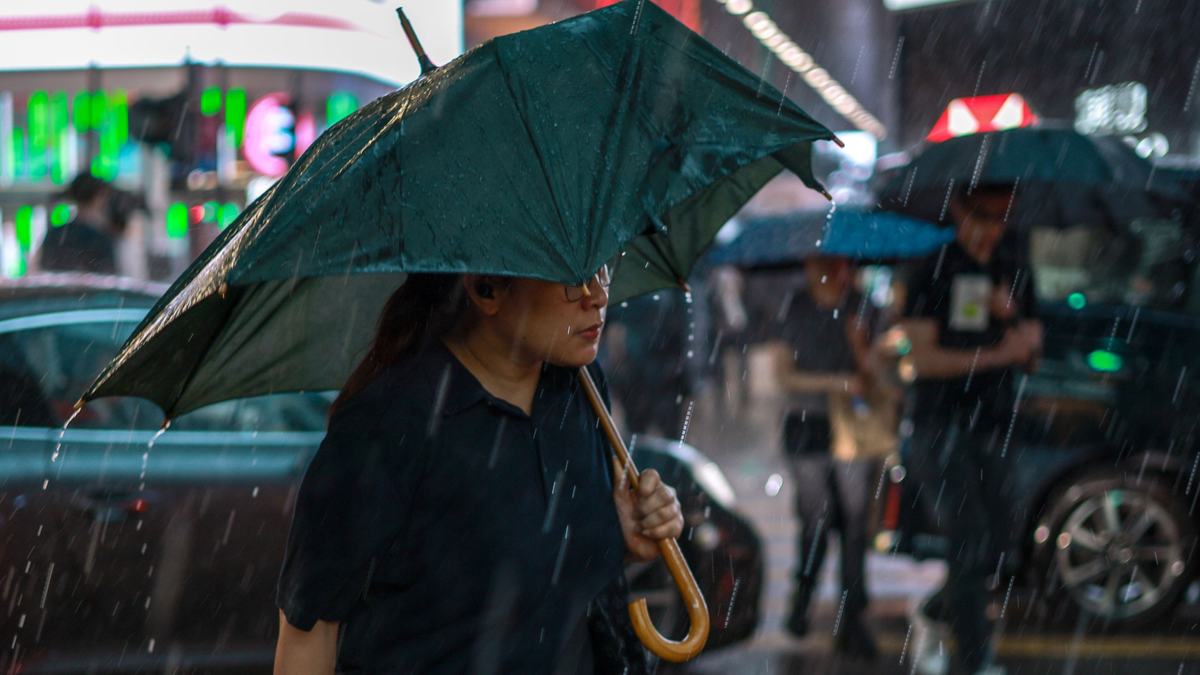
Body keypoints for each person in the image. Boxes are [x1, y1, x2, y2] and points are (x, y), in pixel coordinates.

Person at [273, 268, 684, 675]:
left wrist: (619, 539)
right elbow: (308, 633)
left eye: (605, 266)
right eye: (572, 276)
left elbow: (545, 580)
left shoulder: (581, 388)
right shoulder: (385, 428)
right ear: (486, 289)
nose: (597, 294)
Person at [901, 183, 1042, 675]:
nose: (992, 229)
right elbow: (920, 358)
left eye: (1003, 217)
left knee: (1002, 541)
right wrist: (999, 352)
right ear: (959, 209)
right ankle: (975, 660)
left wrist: (1015, 317)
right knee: (970, 536)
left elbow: (1033, 354)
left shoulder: (1013, 263)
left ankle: (937, 608)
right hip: (939, 422)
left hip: (996, 422)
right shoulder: (934, 267)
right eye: (983, 216)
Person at [773, 255, 894, 658]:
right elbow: (783, 375)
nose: (834, 272)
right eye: (824, 263)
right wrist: (836, 382)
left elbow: (878, 370)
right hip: (806, 424)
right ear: (809, 265)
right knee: (817, 517)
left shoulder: (864, 306)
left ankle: (853, 616)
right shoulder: (794, 305)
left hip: (854, 429)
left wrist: (860, 345)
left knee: (854, 521)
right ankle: (802, 601)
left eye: (841, 264)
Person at [41, 174, 118, 274]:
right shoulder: (101, 239)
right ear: (98, 199)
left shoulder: (55, 234)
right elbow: (106, 280)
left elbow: (45, 270)